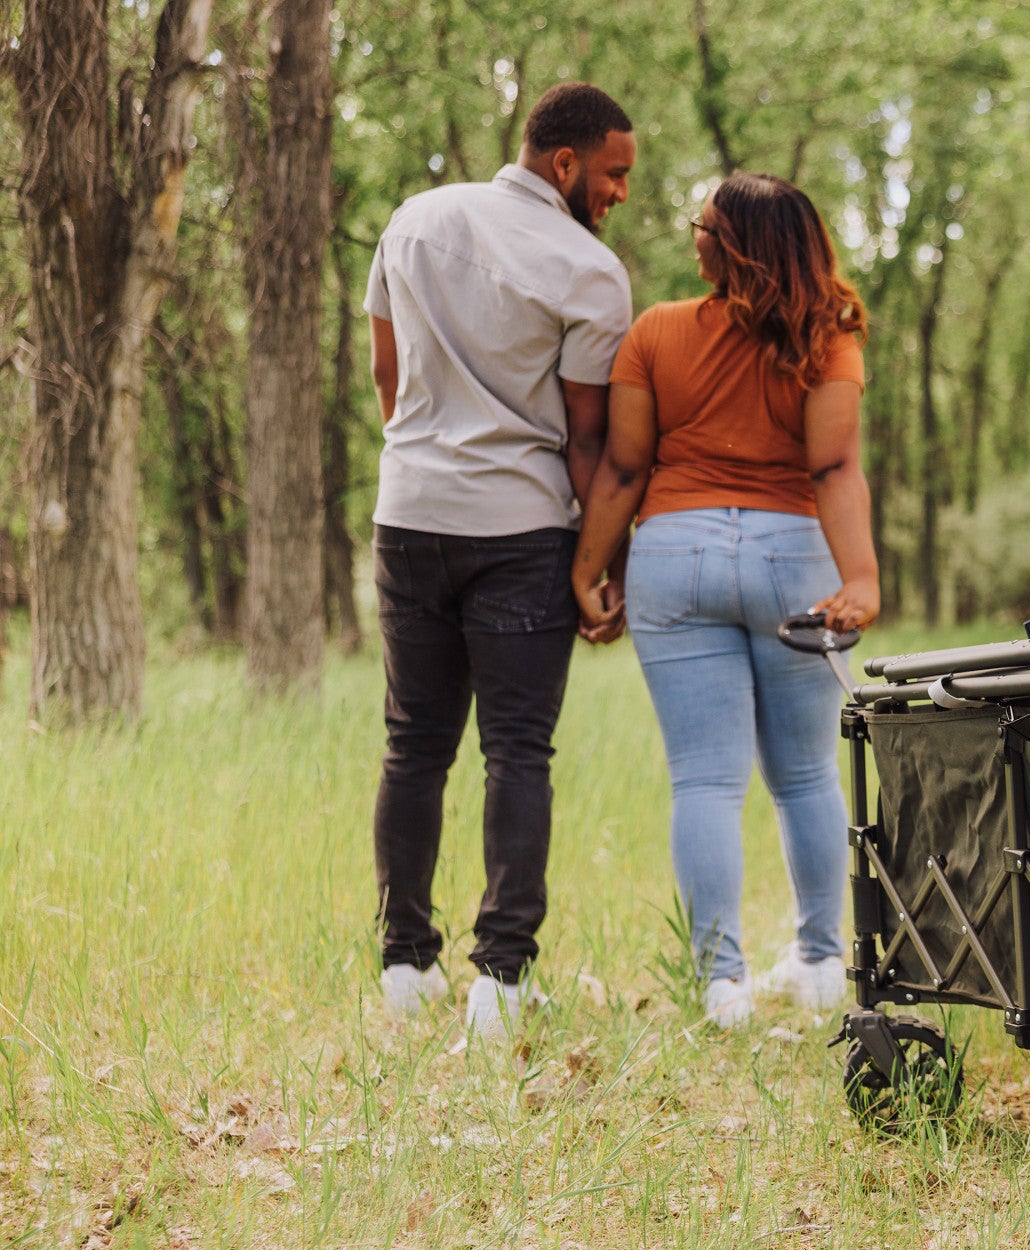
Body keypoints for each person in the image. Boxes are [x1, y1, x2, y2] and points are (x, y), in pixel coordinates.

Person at [570, 173, 877, 1029]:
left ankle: (722, 984)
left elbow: (625, 468)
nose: (692, 237)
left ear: (736, 243)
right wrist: (860, 578)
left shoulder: (656, 333)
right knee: (807, 773)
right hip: (792, 556)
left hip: (677, 553)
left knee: (704, 780)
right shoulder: (831, 336)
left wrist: (592, 567)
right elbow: (833, 467)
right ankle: (819, 964)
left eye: (701, 224)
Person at [366, 82, 636, 1039]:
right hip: (523, 531)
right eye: (613, 174)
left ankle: (405, 967)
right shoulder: (590, 271)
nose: (619, 194)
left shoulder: (414, 219)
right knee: (517, 751)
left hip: (409, 514)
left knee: (414, 744)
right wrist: (604, 566)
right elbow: (586, 441)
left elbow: (387, 377)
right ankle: (502, 983)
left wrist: (429, 451)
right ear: (564, 163)